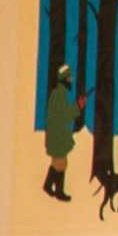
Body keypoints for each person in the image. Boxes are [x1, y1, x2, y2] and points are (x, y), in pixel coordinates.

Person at [40, 64, 79, 202]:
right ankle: (56, 190)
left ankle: (51, 187)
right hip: (57, 136)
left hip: (56, 135)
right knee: (60, 162)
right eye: (69, 78)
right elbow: (65, 115)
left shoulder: (58, 93)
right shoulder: (59, 94)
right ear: (64, 79)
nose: (71, 80)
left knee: (59, 162)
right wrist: (78, 106)